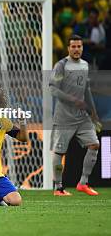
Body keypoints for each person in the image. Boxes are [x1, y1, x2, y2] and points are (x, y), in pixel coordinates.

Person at [49, 34, 101, 196]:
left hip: (82, 117)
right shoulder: (61, 65)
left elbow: (86, 90)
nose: (76, 49)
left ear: (82, 48)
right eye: (73, 46)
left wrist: (94, 114)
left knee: (94, 145)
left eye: (79, 46)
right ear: (68, 48)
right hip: (64, 117)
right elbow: (52, 88)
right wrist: (72, 99)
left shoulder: (85, 65)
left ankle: (83, 183)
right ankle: (58, 187)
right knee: (59, 153)